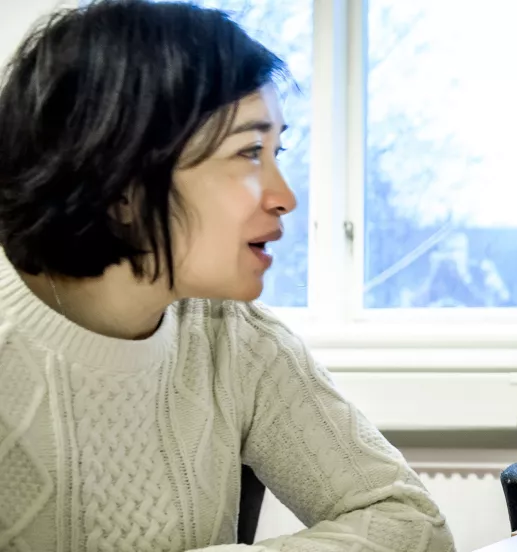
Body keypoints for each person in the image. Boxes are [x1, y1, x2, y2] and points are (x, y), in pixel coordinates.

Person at [0, 1, 454, 550]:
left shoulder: (233, 337)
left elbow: (411, 521)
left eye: (277, 150)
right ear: (121, 182)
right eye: (248, 153)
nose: (285, 196)